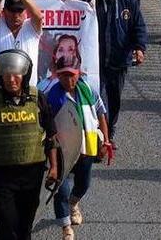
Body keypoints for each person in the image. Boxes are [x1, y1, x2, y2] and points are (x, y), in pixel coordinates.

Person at [0, 49, 59, 240]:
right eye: (6, 75)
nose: (11, 79)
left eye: (16, 74)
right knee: (7, 224)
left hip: (32, 174)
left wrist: (54, 167)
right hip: (1, 175)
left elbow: (51, 135)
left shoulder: (38, 98)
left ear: (25, 75)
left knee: (25, 226)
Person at [42, 56, 110, 240]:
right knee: (61, 190)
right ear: (58, 75)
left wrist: (106, 141)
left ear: (78, 73)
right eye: (63, 75)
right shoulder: (52, 98)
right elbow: (47, 128)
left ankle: (74, 203)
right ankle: (66, 228)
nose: (68, 79)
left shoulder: (88, 90)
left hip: (86, 149)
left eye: (71, 75)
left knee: (83, 184)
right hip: (62, 153)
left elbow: (100, 112)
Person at [81, 0, 146, 136]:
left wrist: (139, 48)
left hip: (119, 61)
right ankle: (97, 134)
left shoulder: (128, 1)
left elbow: (138, 26)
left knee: (114, 99)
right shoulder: (90, 0)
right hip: (96, 61)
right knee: (96, 97)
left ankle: (110, 130)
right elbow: (76, 17)